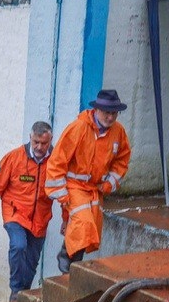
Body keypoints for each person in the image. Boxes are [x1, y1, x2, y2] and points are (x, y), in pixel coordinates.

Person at [45, 89, 131, 272]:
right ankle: (67, 259)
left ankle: (73, 263)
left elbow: (122, 159)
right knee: (83, 223)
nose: (110, 117)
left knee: (90, 231)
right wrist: (62, 194)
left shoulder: (118, 132)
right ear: (97, 110)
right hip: (75, 187)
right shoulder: (78, 128)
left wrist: (108, 184)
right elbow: (58, 160)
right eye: (107, 112)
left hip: (95, 189)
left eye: (114, 113)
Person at [0, 121, 54, 300]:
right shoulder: (14, 158)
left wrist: (67, 219)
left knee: (31, 262)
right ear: (30, 138)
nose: (39, 147)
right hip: (15, 213)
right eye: (36, 142)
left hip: (40, 218)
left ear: (50, 140)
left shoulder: (56, 161)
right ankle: (15, 289)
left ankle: (21, 296)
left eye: (44, 143)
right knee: (19, 244)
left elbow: (65, 189)